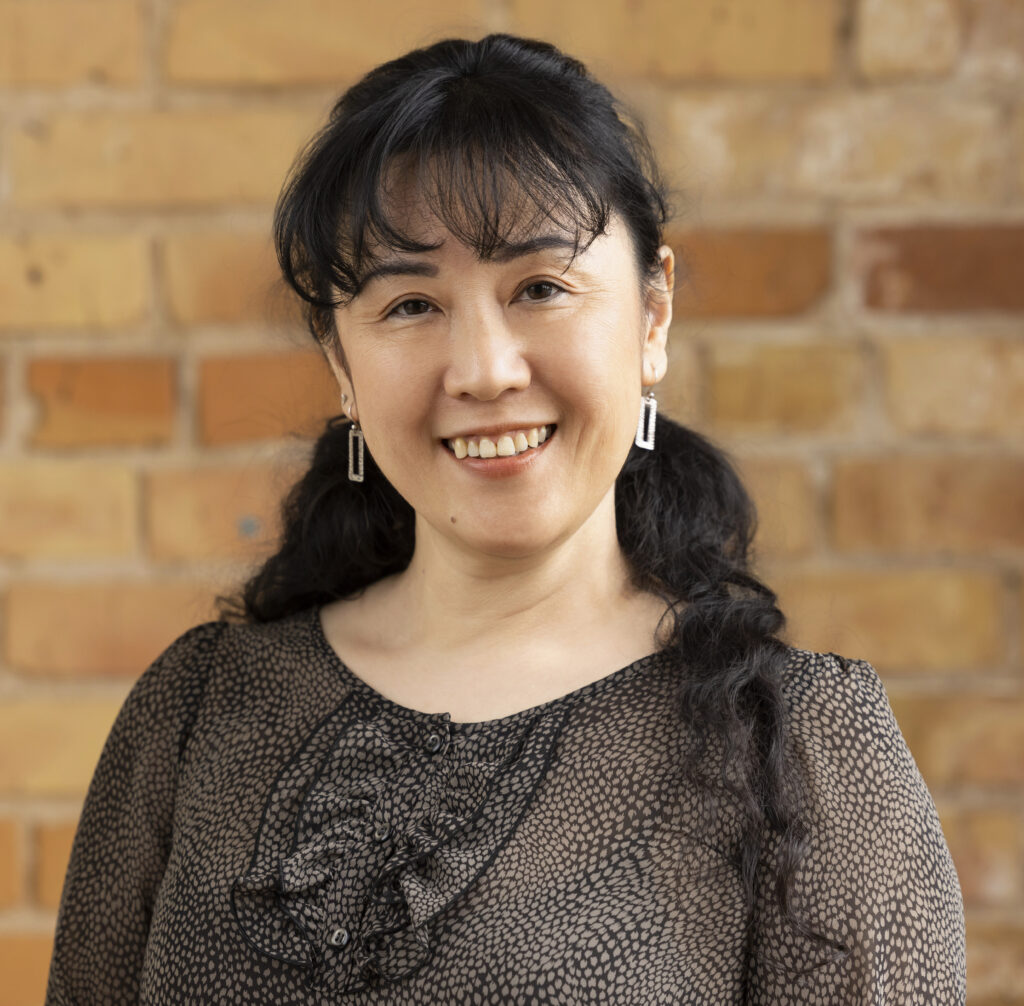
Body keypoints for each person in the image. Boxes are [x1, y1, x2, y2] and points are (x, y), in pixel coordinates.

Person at [46, 33, 966, 1004]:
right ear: (340, 362)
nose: (484, 370)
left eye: (540, 288)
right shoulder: (197, 712)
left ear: (652, 315)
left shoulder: (796, 746)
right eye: (411, 305)